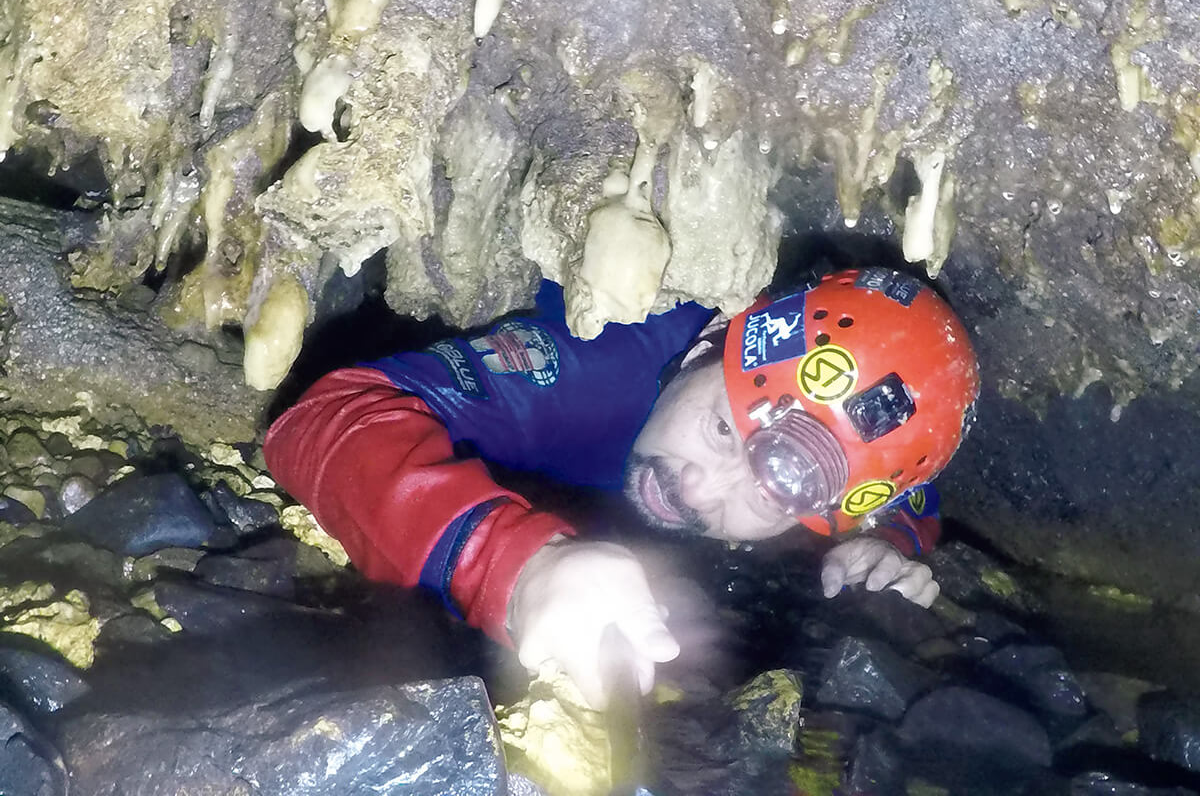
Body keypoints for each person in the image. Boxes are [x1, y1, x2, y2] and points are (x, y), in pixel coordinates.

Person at [264, 267, 979, 707]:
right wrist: (515, 566)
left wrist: (887, 542)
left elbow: (909, 497)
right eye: (723, 429)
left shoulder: (840, 485)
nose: (701, 488)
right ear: (710, 343)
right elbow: (319, 419)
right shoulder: (598, 365)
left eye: (769, 493)